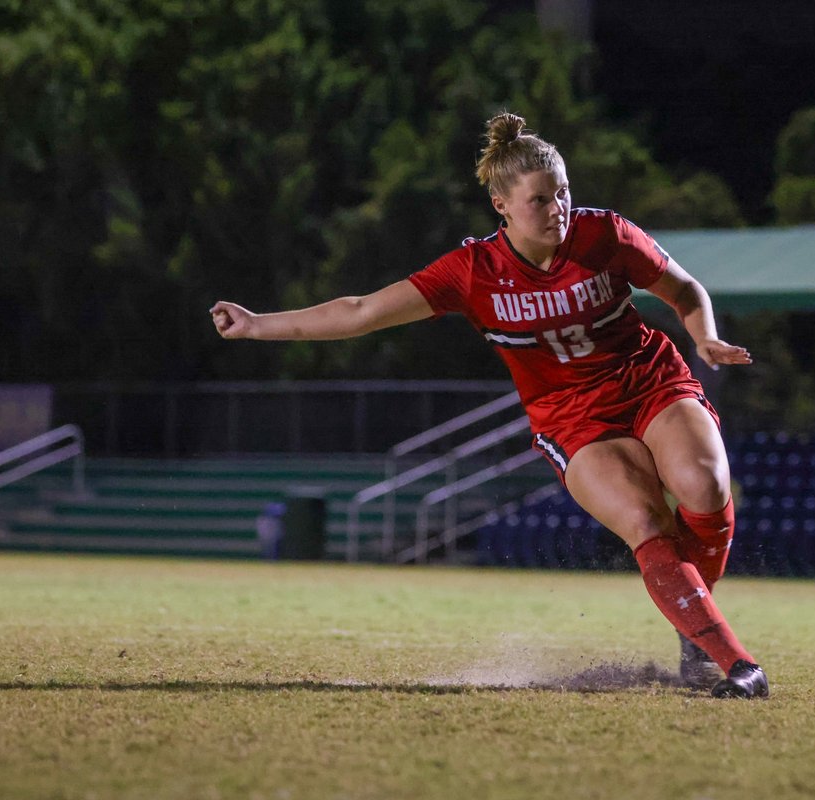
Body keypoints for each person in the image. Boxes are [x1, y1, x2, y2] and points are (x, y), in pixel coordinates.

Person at [210, 112, 768, 699]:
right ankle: (734, 662)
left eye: (564, 193)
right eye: (540, 200)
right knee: (644, 521)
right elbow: (359, 312)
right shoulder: (474, 273)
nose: (558, 209)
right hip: (571, 414)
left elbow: (684, 291)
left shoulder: (606, 235)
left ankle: (694, 627)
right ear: (501, 204)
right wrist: (256, 325)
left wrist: (702, 335)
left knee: (704, 487)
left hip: (648, 380)